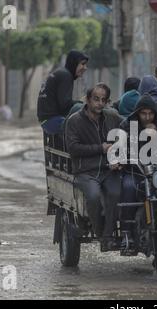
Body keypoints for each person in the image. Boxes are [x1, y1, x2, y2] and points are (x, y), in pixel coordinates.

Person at [65, 83, 123, 252]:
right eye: (96, 99)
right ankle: (99, 232)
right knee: (93, 196)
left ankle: (108, 236)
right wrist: (101, 148)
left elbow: (128, 127)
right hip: (85, 171)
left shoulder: (111, 116)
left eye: (103, 100)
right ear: (88, 100)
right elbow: (73, 148)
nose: (99, 103)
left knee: (116, 193)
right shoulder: (74, 120)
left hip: (108, 170)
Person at [119, 94, 157, 250]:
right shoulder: (127, 125)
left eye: (150, 113)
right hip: (134, 171)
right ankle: (126, 232)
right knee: (129, 188)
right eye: (143, 113)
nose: (147, 117)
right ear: (137, 113)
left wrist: (156, 134)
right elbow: (122, 146)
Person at [37, 50, 89, 135]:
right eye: (82, 64)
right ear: (74, 63)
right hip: (53, 121)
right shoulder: (66, 76)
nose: (85, 68)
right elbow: (66, 105)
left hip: (47, 120)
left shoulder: (61, 73)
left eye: (86, 64)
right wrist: (85, 103)